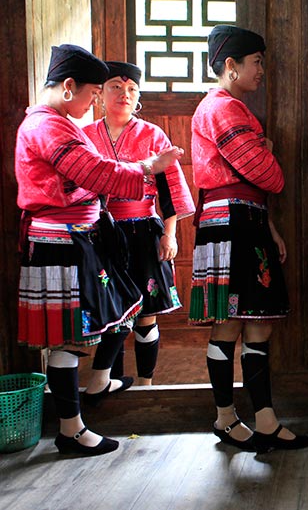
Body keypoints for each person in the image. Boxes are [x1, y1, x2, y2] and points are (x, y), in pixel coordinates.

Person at [15, 44, 182, 455]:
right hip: (64, 240)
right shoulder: (49, 126)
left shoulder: (61, 123)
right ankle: (72, 427)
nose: (99, 100)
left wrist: (169, 229)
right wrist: (145, 168)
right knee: (71, 339)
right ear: (70, 87)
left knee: (122, 314)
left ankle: (105, 393)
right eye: (98, 92)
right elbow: (93, 172)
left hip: (98, 235)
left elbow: (166, 188)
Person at [189, 24, 308, 452]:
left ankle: (265, 420)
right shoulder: (222, 108)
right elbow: (269, 177)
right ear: (231, 65)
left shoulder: (232, 107)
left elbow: (258, 180)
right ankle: (225, 418)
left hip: (246, 218)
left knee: (258, 323)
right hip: (232, 220)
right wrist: (267, 153)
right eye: (257, 62)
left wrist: (269, 224)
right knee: (230, 323)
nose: (262, 70)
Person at [83, 62, 194, 388]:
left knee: (146, 313)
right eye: (116, 87)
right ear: (101, 93)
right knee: (112, 312)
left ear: (139, 96)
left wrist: (170, 235)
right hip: (102, 233)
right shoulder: (87, 136)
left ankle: (145, 383)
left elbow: (170, 189)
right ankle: (113, 381)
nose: (124, 94)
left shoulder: (152, 134)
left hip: (144, 229)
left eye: (131, 89)